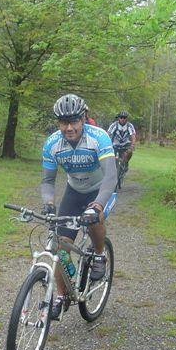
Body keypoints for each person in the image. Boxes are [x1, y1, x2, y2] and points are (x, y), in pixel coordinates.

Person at [42, 94, 117, 319]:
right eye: (64, 122)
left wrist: (97, 205)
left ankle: (99, 254)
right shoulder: (52, 144)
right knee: (59, 247)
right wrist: (48, 203)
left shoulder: (99, 138)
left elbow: (111, 177)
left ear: (84, 118)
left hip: (101, 188)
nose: (69, 127)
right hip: (74, 191)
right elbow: (47, 181)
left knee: (94, 217)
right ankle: (62, 295)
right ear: (58, 123)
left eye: (74, 121)